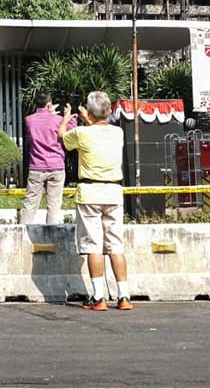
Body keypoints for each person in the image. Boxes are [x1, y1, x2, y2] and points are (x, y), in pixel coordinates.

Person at [58, 91, 132, 311]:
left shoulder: (82, 133)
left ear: (89, 113)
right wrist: (89, 119)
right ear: (109, 111)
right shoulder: (118, 132)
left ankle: (98, 297)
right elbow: (100, 125)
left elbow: (62, 136)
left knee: (93, 246)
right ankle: (123, 295)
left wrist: (69, 118)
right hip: (113, 192)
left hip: (90, 192)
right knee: (115, 245)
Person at [22, 92, 76, 225]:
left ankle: (22, 234)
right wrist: (68, 118)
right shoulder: (58, 120)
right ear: (49, 103)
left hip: (36, 167)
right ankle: (51, 238)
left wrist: (49, 111)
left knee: (30, 204)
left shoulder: (29, 120)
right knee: (54, 205)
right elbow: (71, 131)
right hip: (56, 166)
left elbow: (41, 123)